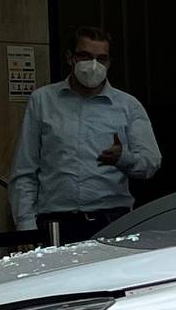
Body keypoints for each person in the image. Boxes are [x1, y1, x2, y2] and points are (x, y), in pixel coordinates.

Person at [13, 26, 163, 244]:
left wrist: (123, 158)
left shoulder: (127, 106)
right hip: (56, 223)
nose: (94, 65)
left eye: (101, 58)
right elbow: (25, 170)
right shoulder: (43, 101)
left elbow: (151, 162)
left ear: (109, 63)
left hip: (112, 221)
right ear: (70, 58)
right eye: (86, 56)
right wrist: (26, 226)